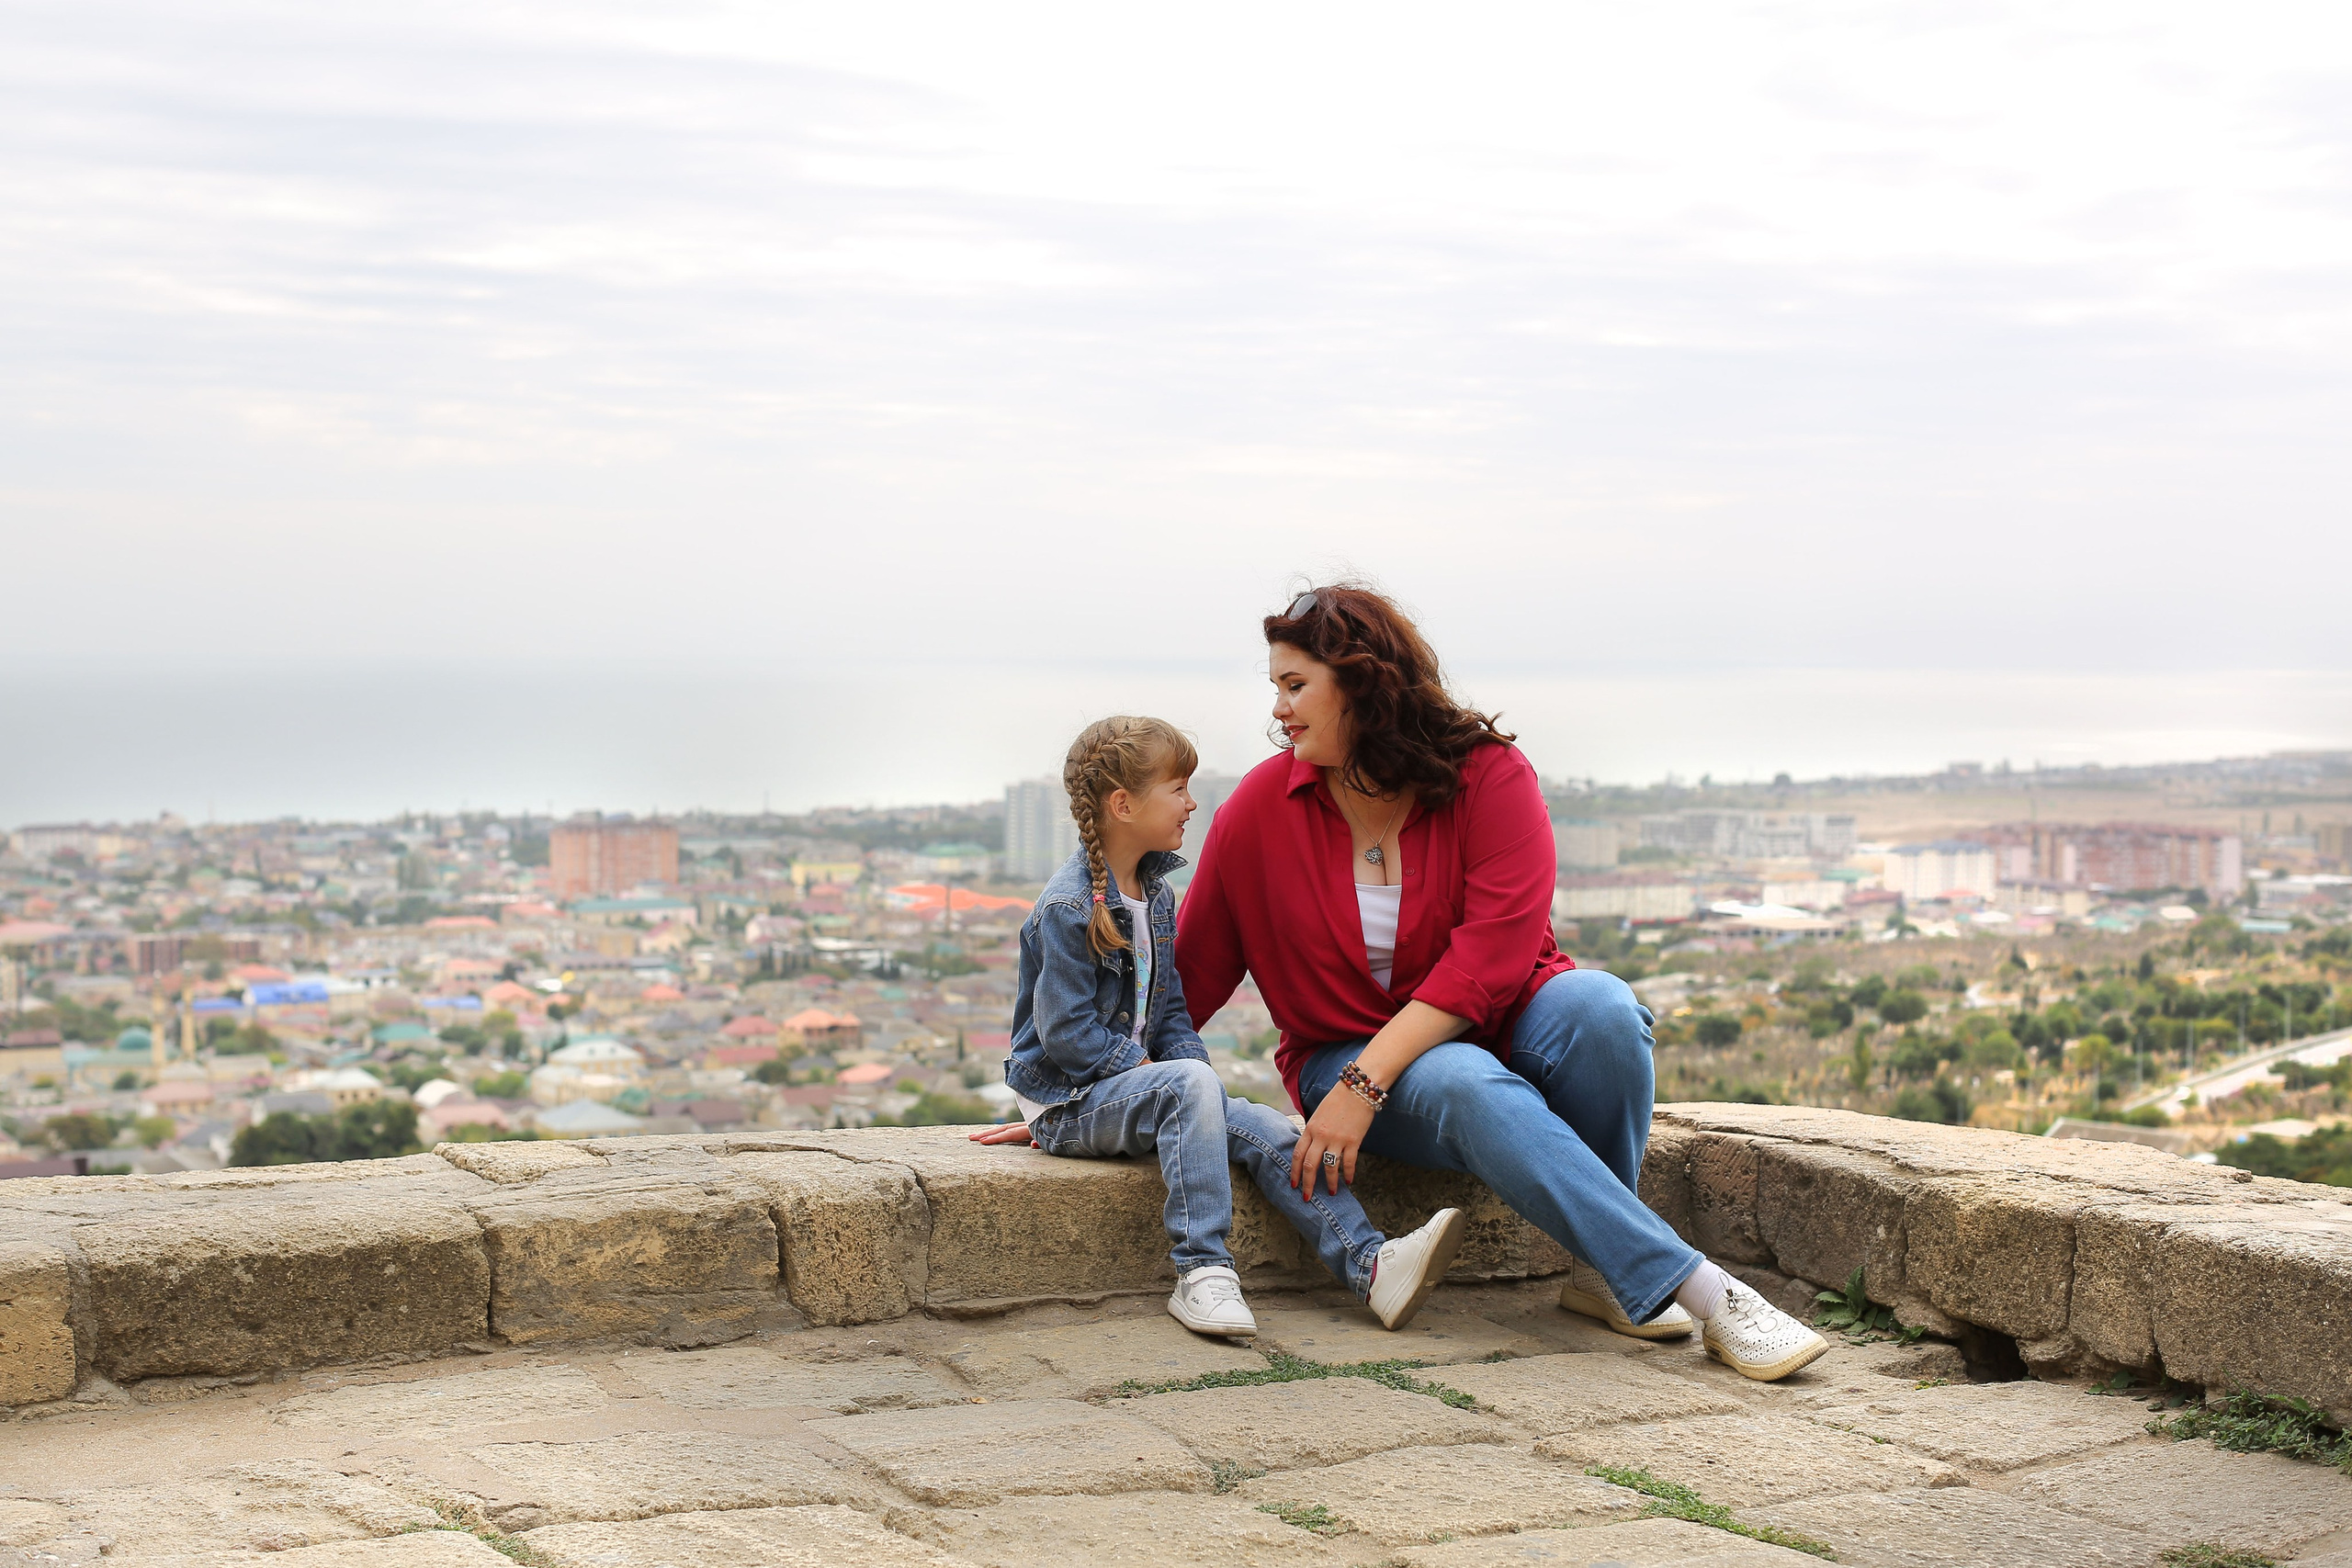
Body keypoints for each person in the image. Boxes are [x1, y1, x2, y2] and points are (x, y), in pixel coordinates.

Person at [1174, 586, 1827, 1382]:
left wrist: (1366, 1079)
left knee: (1605, 1009)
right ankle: (1709, 1292)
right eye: (1275, 687)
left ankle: (1605, 1278)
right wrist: (1083, 1094)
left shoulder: (1488, 775)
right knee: (1463, 1078)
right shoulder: (1259, 809)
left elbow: (1493, 955)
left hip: (1478, 1027)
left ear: (1361, 680)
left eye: (1295, 684)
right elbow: (1188, 978)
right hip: (1340, 1055)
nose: (1279, 709)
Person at [970, 715, 1465, 1338]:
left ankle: (1371, 1265)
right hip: (1074, 1100)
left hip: (1133, 1091)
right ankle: (1201, 1269)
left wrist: (1195, 1082)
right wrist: (1139, 1080)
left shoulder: (1155, 896)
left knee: (1266, 1127)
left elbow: (1171, 1013)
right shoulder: (1069, 907)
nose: (1191, 800)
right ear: (1123, 804)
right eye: (1177, 787)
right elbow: (1067, 1036)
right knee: (1193, 1089)